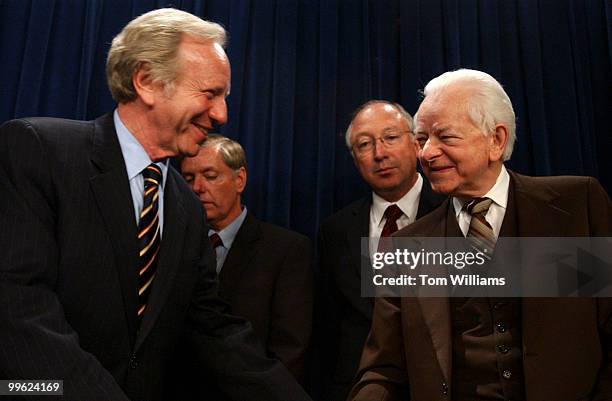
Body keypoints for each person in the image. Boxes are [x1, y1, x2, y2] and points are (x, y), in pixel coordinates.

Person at [0, 8, 311, 401]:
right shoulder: (39, 151)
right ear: (146, 82)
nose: (222, 114)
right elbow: (20, 309)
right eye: (210, 93)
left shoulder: (185, 207)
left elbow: (214, 329)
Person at [349, 69, 612, 400]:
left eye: (445, 137)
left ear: (496, 140)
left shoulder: (575, 208)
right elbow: (383, 370)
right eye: (421, 140)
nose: (427, 154)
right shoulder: (407, 247)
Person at [317, 100, 444, 401]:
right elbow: (328, 328)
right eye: (365, 144)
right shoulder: (335, 232)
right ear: (355, 159)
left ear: (416, 144)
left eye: (390, 138)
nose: (380, 154)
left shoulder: (453, 212)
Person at [180, 134, 314, 383]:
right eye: (189, 178)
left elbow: (290, 351)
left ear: (239, 179)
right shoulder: (176, 246)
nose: (197, 187)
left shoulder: (285, 249)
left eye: (210, 176)